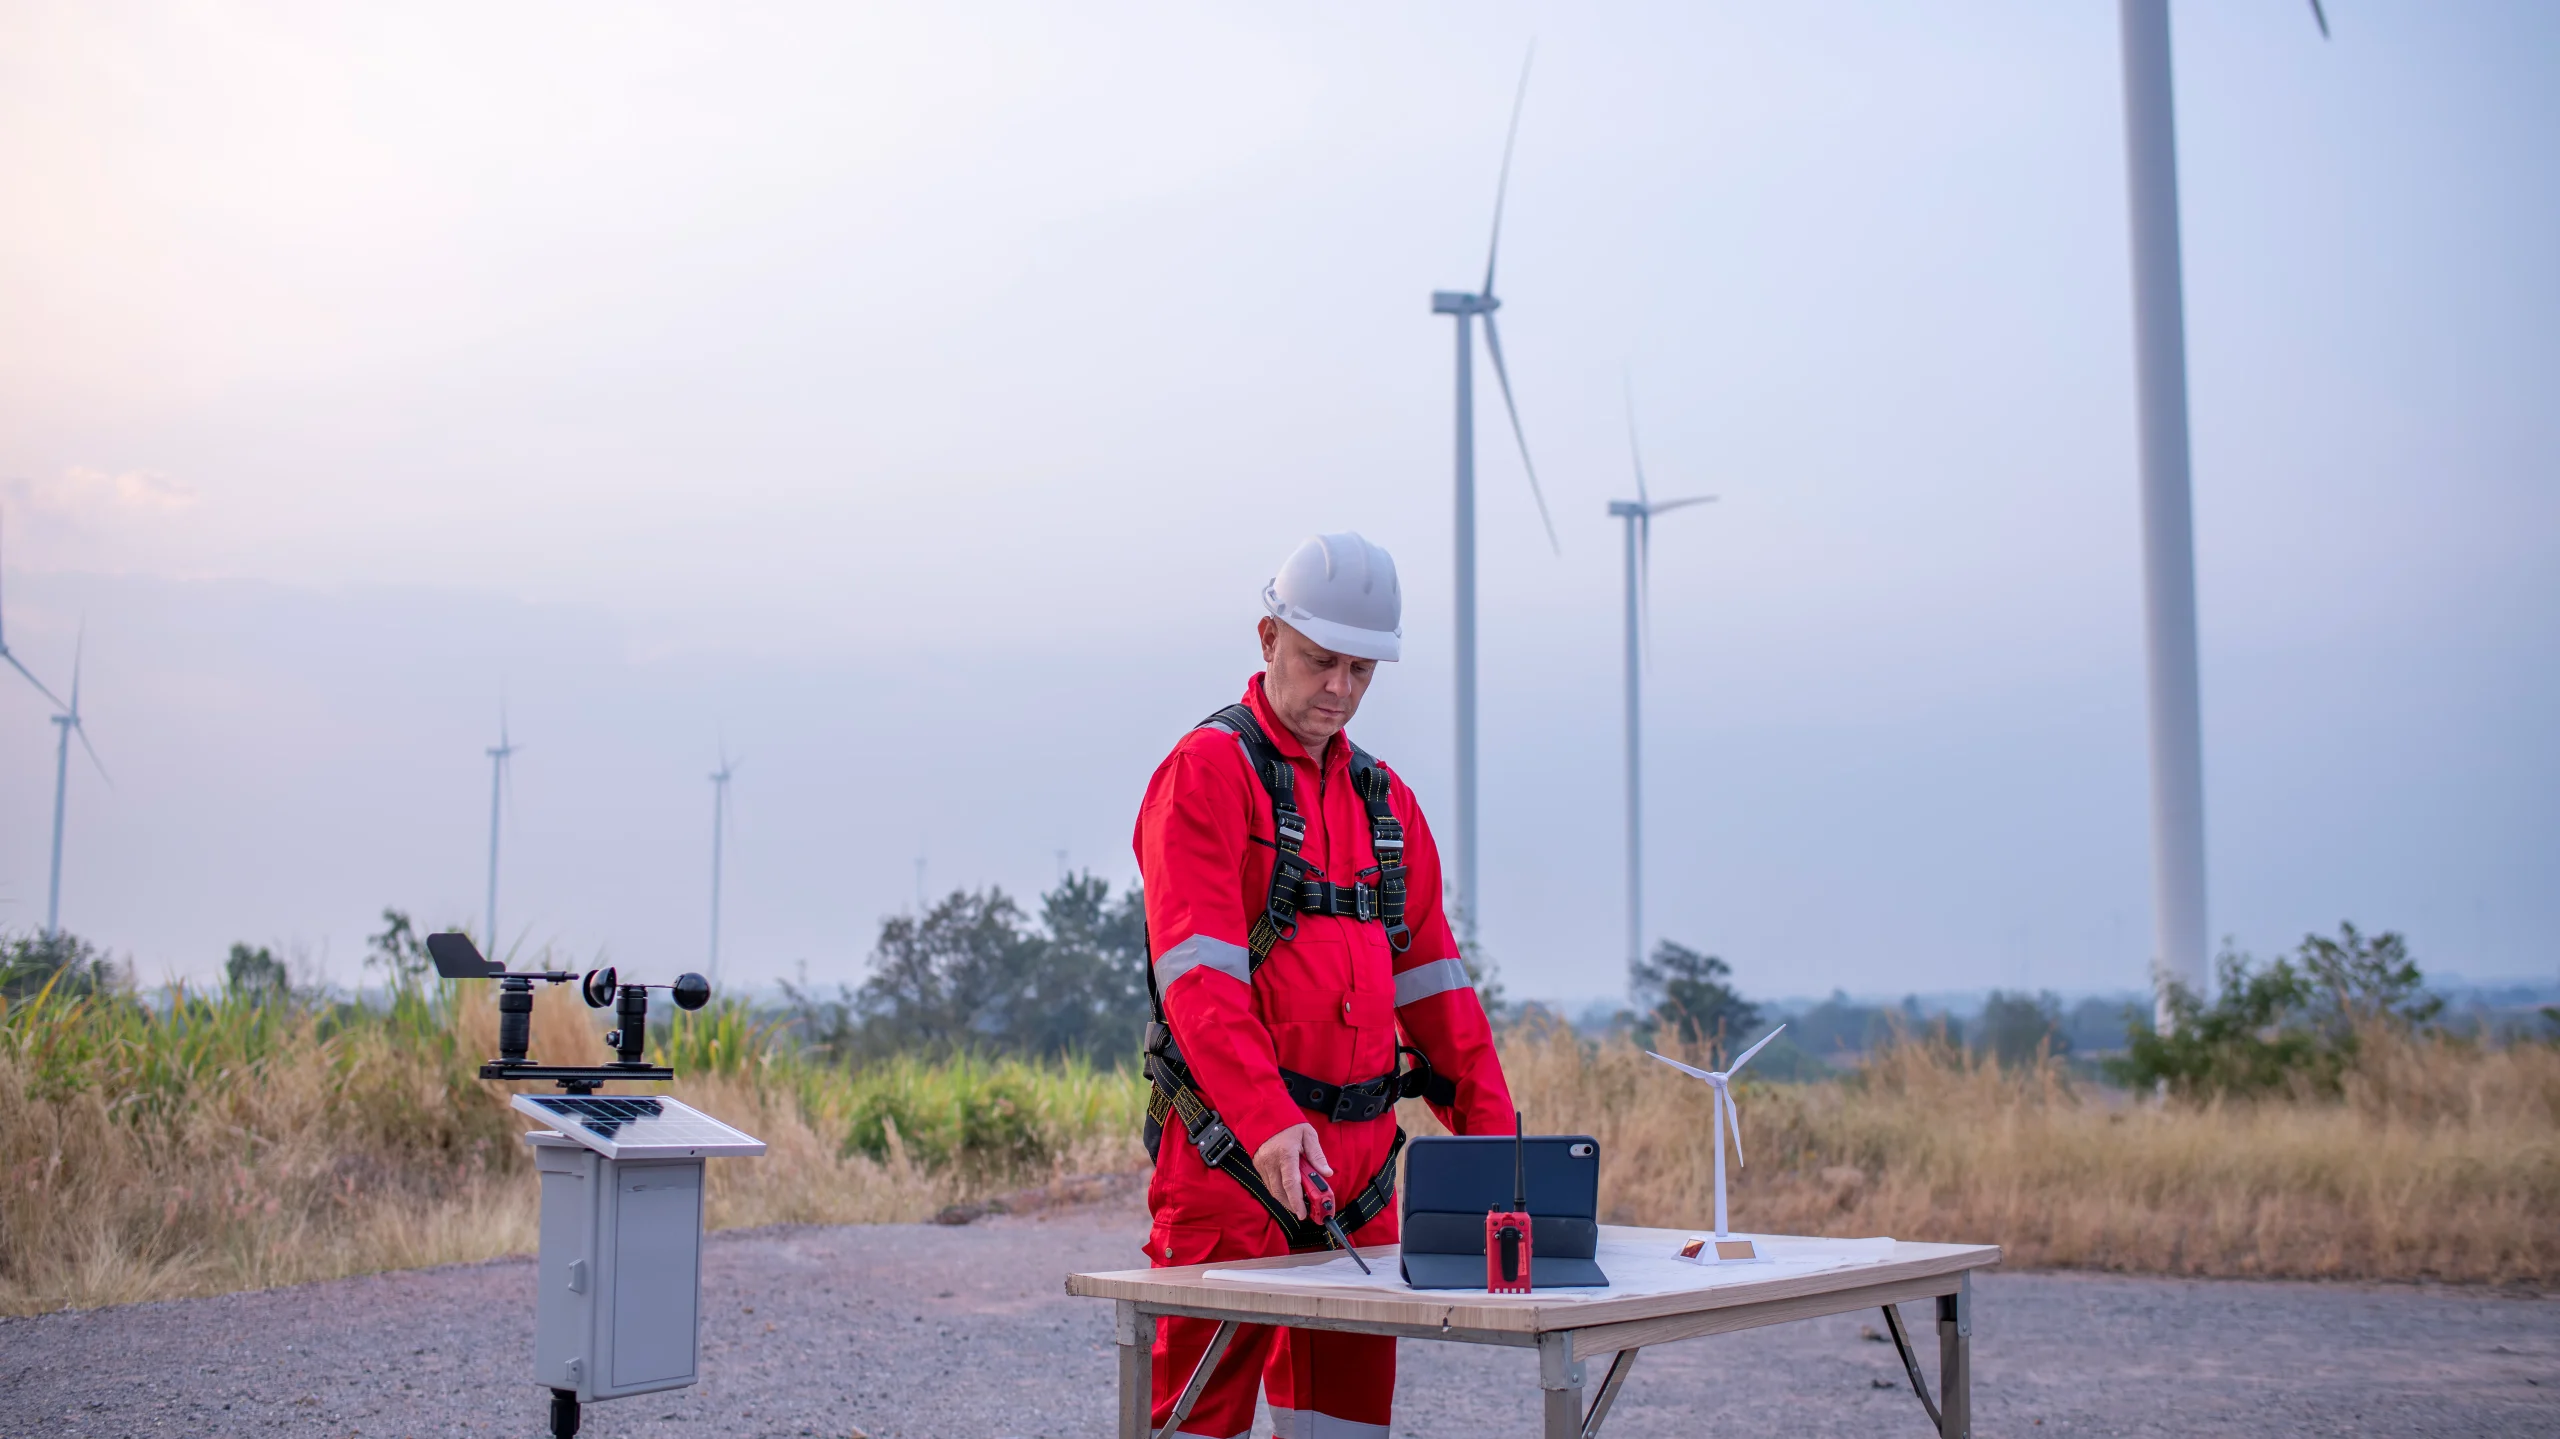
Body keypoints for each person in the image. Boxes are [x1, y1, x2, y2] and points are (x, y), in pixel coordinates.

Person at [1131, 531, 1516, 1439]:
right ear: (1268, 641)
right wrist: (1268, 1124)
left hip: (1363, 1183)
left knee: (1343, 1430)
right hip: (1234, 1164)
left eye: (1359, 669)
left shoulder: (1389, 807)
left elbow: (1443, 1003)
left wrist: (1503, 1163)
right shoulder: (1207, 775)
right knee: (1197, 1425)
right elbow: (1200, 986)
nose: (1338, 688)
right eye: (1318, 661)